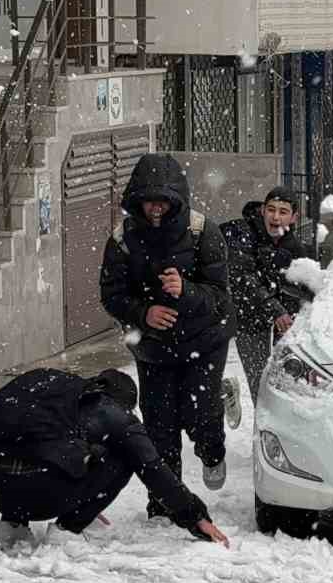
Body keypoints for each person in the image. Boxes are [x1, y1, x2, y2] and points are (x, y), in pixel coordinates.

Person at [99, 153, 238, 506]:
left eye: (162, 200)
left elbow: (220, 295)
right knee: (159, 423)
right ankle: (164, 499)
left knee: (200, 413)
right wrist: (143, 313)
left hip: (205, 340)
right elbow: (112, 295)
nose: (156, 208)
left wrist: (186, 290)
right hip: (153, 346)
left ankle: (212, 450)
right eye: (148, 201)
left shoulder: (202, 231)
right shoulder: (122, 239)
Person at [0, 368, 230, 549]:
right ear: (125, 403)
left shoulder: (56, 387)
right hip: (49, 495)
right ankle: (67, 529)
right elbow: (153, 468)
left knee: (23, 446)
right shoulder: (113, 412)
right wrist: (195, 517)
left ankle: (12, 526)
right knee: (126, 455)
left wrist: (82, 484)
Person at [222, 187, 313, 404]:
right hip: (243, 312)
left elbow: (305, 288)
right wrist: (276, 309)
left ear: (294, 217)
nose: (275, 217)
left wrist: (291, 320)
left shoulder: (293, 246)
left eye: (283, 212)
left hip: (272, 312)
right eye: (271, 210)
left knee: (283, 382)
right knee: (260, 386)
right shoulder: (241, 232)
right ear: (263, 210)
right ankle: (227, 394)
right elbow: (243, 277)